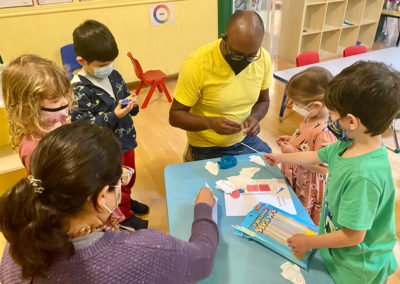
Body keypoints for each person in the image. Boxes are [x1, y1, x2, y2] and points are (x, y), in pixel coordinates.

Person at [0, 122, 219, 284]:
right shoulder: (143, 251)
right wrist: (203, 210)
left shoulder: (20, 238)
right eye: (120, 179)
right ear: (102, 195)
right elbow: (203, 259)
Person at [264, 61, 400, 283]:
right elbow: (314, 156)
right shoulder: (348, 144)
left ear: (352, 121)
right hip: (336, 251)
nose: (331, 121)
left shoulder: (363, 176)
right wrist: (280, 157)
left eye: (334, 116)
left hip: (357, 268)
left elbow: (353, 236)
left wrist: (309, 242)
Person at [71, 20, 148, 230]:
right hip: (105, 149)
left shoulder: (114, 75)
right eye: (102, 65)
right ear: (81, 60)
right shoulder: (78, 89)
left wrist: (131, 104)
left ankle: (126, 202)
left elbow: (123, 98)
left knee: (129, 177)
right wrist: (113, 115)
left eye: (111, 62)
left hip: (125, 140)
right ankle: (122, 216)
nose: (108, 68)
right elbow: (83, 128)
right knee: (115, 183)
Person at [169, 10, 272, 161]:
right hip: (207, 145)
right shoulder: (197, 64)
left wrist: (255, 118)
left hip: (244, 139)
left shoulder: (263, 58)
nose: (244, 62)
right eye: (237, 54)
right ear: (224, 38)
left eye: (250, 56)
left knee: (273, 169)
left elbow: (264, 100)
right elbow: (175, 116)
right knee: (215, 184)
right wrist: (209, 123)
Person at [277, 67, 336, 225]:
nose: (291, 106)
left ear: (316, 105)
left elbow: (324, 168)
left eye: (296, 103)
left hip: (308, 185)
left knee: (303, 218)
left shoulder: (325, 131)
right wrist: (292, 139)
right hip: (298, 177)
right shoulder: (311, 117)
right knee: (292, 206)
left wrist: (292, 154)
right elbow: (307, 143)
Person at [1, 54, 73, 173]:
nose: (65, 101)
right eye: (55, 100)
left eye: (65, 95)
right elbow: (50, 187)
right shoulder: (33, 148)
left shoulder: (56, 121)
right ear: (28, 107)